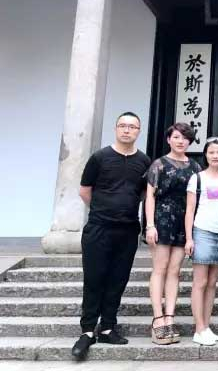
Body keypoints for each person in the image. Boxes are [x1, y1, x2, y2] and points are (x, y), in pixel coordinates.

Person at [71, 112, 151, 360]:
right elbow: (85, 191)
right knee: (94, 279)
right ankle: (87, 331)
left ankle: (107, 327)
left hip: (127, 230)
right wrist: (103, 209)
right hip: (99, 228)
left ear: (138, 131)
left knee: (118, 279)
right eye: (123, 126)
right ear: (116, 128)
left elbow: (143, 194)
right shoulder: (99, 158)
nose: (127, 130)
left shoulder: (144, 161)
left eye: (132, 127)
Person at [144, 122, 201, 344]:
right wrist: (150, 225)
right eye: (176, 137)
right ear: (169, 139)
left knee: (175, 271)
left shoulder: (195, 167)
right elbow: (150, 197)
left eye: (185, 138)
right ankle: (158, 319)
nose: (180, 141)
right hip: (161, 220)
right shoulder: (158, 164)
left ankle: (170, 317)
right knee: (159, 269)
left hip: (184, 223)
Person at [185, 137, 218, 345]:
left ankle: (206, 325)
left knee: (212, 283)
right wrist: (189, 238)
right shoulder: (197, 178)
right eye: (211, 152)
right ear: (205, 154)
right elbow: (189, 210)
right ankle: (199, 328)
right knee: (200, 282)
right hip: (202, 231)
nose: (215, 156)